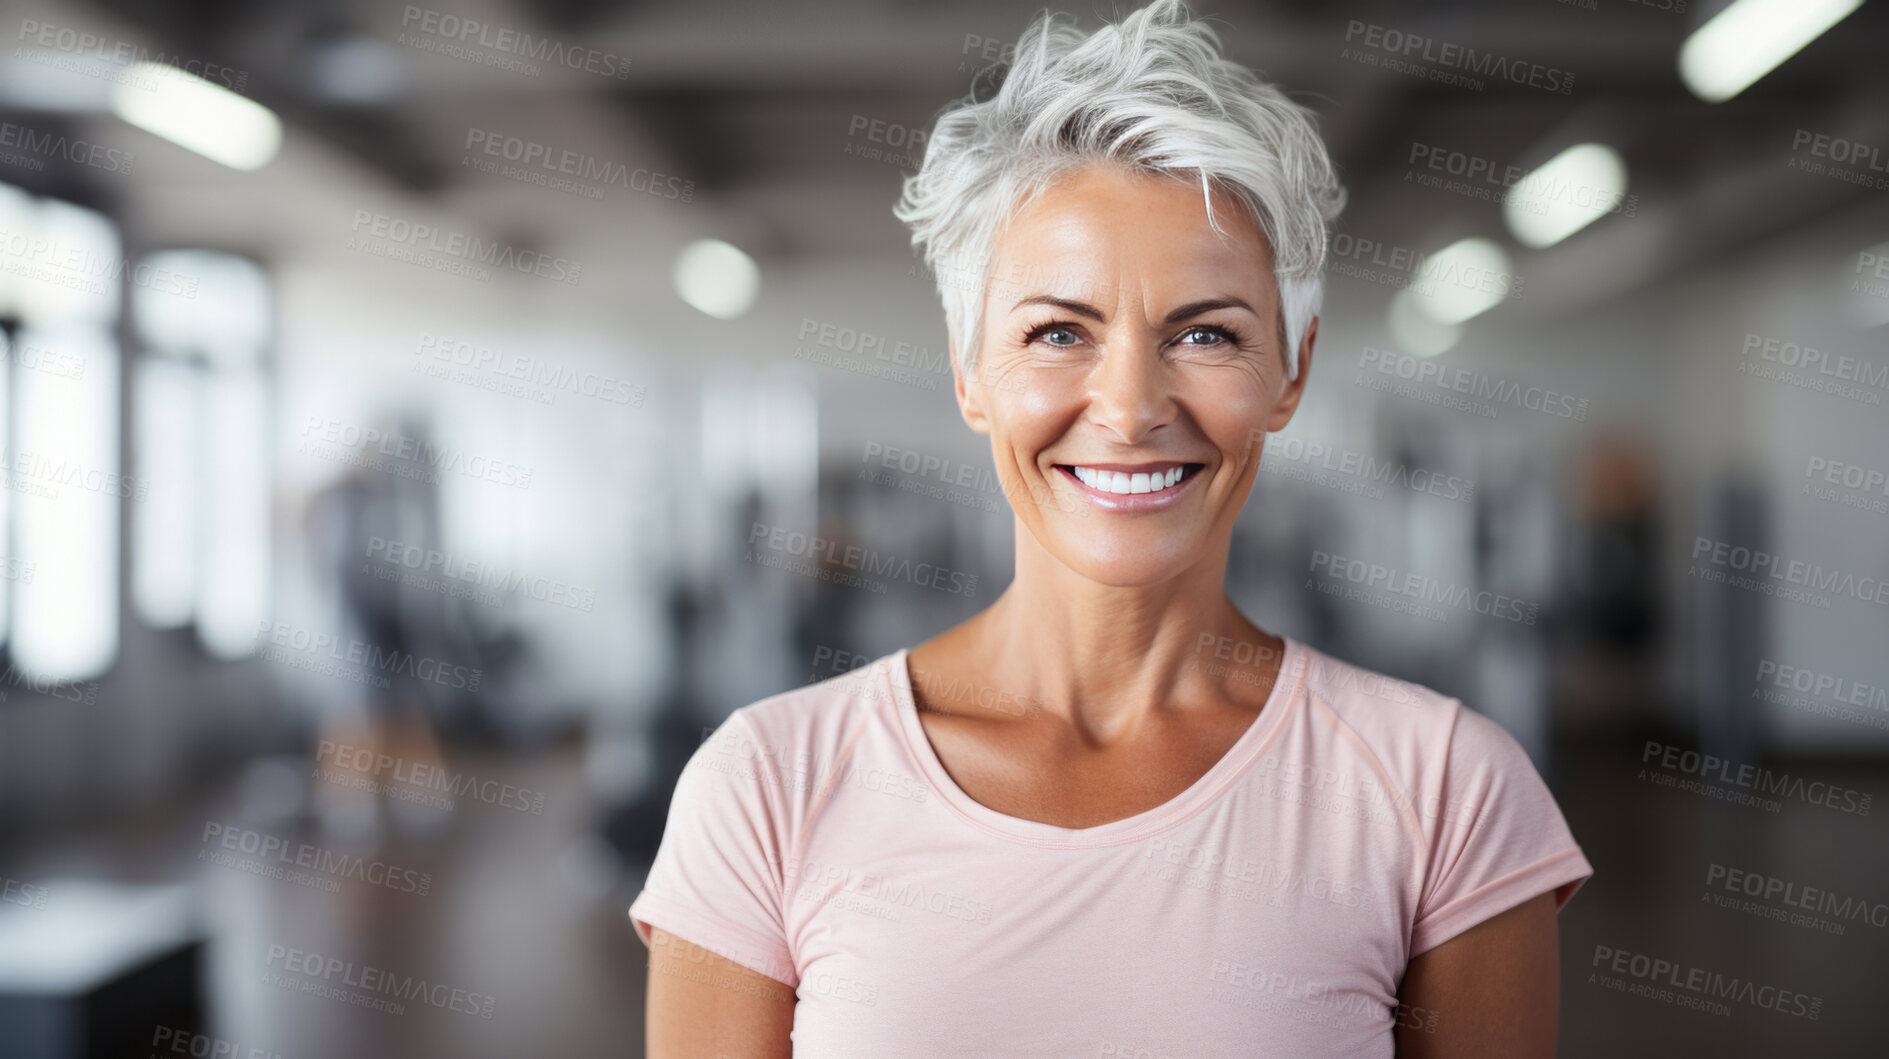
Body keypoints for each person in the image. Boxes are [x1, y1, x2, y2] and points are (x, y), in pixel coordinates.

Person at [631, 2, 1592, 1054]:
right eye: (1056, 331)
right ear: (968, 373)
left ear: (1291, 372)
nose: (1130, 408)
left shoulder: (1442, 790)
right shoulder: (767, 784)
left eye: (1205, 334)